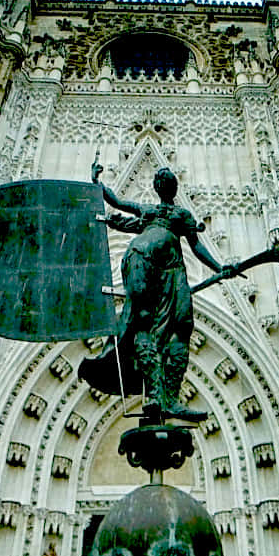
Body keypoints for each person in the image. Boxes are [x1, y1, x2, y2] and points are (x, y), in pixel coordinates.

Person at [79, 164, 236, 422]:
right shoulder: (154, 213)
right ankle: (158, 395)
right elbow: (118, 203)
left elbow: (196, 247)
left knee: (174, 325)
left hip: (160, 265)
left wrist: (220, 268)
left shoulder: (176, 215)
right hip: (150, 262)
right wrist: (96, 182)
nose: (165, 183)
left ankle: (165, 398)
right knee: (153, 324)